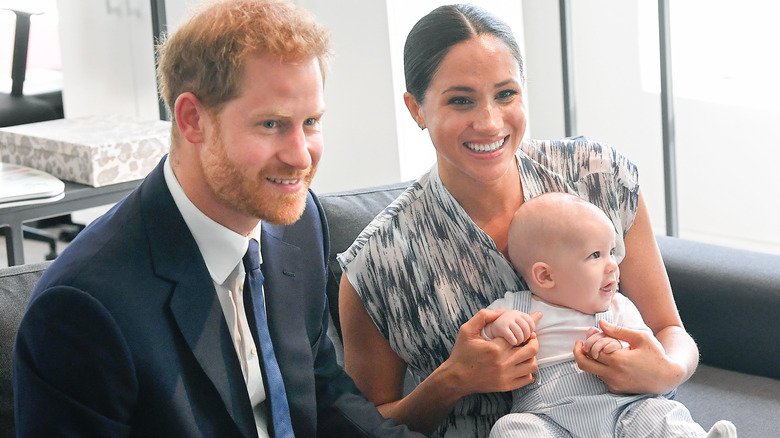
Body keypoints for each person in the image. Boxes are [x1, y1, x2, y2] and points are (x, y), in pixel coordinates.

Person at [12, 1, 423, 436]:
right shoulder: (81, 309)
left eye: (311, 122)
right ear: (192, 119)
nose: (301, 155)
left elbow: (325, 395)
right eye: (270, 124)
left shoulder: (297, 225)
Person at [338, 4, 701, 437]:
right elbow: (363, 428)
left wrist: (667, 372)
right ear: (416, 109)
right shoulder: (377, 265)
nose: (490, 122)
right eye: (460, 100)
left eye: (506, 94)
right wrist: (452, 380)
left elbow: (668, 328)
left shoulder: (599, 178)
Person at [481, 192, 736, 437]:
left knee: (660, 413)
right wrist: (499, 327)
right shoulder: (517, 307)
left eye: (611, 251)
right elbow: (479, 336)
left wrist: (619, 348)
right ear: (545, 276)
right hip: (548, 419)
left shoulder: (619, 307)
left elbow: (648, 352)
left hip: (624, 410)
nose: (613, 264)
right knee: (510, 428)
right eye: (595, 255)